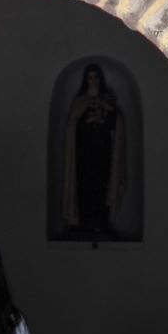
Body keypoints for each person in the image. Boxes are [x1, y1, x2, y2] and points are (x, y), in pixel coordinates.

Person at [62, 63, 126, 235]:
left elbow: (116, 122)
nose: (93, 81)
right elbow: (73, 125)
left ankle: (101, 222)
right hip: (84, 152)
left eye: (96, 77)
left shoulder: (107, 100)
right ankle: (83, 222)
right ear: (86, 80)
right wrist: (87, 122)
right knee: (84, 186)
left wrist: (107, 112)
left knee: (102, 185)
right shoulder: (80, 101)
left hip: (103, 151)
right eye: (90, 78)